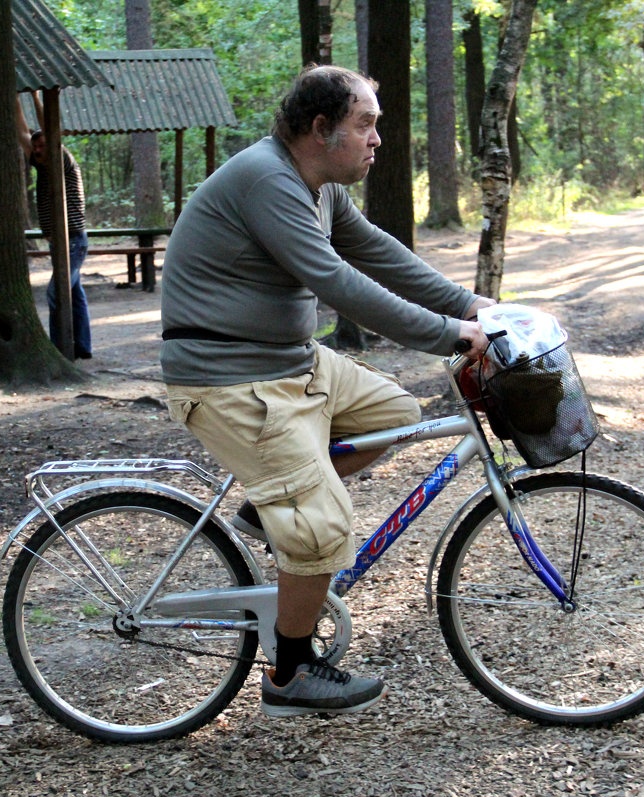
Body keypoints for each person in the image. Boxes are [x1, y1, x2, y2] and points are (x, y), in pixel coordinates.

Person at [160, 65, 493, 718]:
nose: (377, 141)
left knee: (397, 414)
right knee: (322, 528)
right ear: (321, 129)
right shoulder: (268, 180)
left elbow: (378, 253)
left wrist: (472, 303)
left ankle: (268, 507)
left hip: (289, 364)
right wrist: (453, 334)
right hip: (232, 380)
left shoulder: (318, 187)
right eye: (365, 125)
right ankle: (289, 672)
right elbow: (337, 282)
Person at [15, 101, 92, 359]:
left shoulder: (64, 161)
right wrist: (15, 97)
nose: (37, 149)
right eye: (35, 147)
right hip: (58, 242)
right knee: (73, 292)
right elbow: (21, 131)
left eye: (42, 145)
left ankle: (60, 350)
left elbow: (50, 128)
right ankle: (82, 346)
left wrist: (37, 96)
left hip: (74, 240)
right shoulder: (41, 166)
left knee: (56, 291)